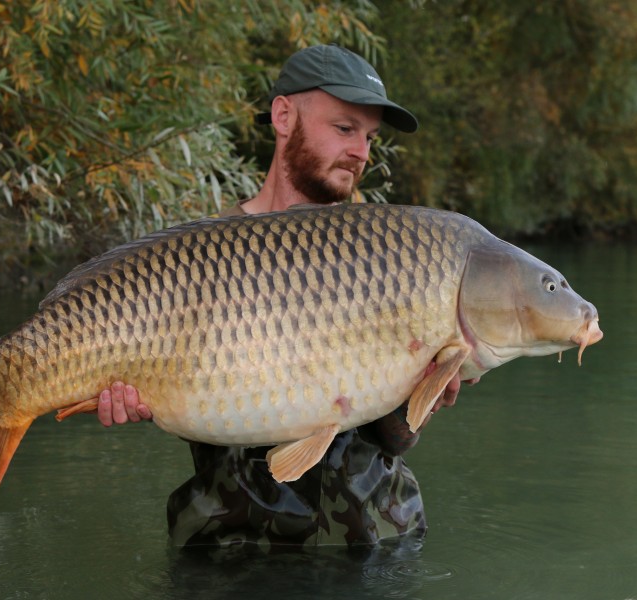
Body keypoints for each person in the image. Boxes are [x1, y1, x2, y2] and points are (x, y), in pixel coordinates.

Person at [95, 45, 462, 550]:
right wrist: (132, 393)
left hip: (368, 542)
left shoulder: (391, 251)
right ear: (283, 115)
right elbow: (191, 407)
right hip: (229, 542)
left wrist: (426, 396)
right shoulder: (194, 254)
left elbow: (394, 441)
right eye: (344, 128)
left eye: (369, 136)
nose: (362, 151)